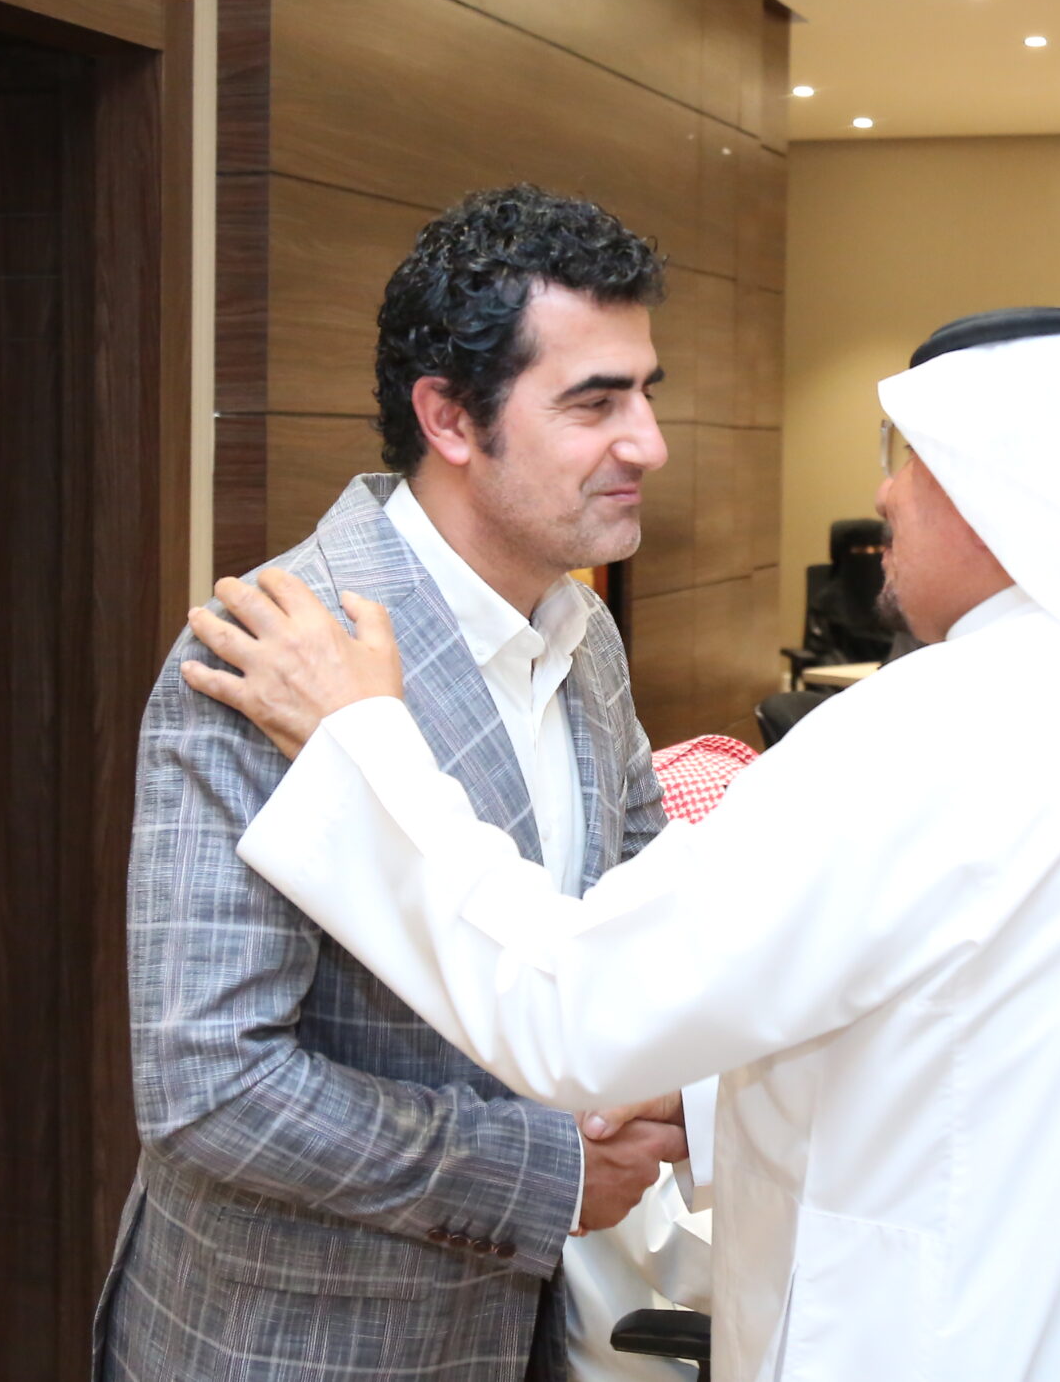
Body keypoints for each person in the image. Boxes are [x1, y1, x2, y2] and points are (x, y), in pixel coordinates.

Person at [188, 307, 1060, 1382]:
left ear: (1001, 494)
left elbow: (571, 1004)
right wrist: (704, 1098)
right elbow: (1038, 1031)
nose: (880, 495)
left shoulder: (941, 732)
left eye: (906, 460)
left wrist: (361, 745)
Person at [95, 185, 705, 1382]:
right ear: (450, 419)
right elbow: (209, 1084)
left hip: (525, 1332)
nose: (648, 442)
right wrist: (544, 1172)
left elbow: (625, 927)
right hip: (301, 1346)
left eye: (646, 393)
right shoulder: (265, 653)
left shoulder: (585, 635)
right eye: (594, 403)